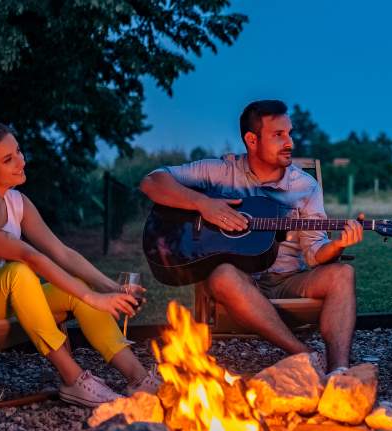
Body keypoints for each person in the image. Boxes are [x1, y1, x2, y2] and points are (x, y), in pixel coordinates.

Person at [0, 121, 160, 408]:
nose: (21, 161)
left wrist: (111, 289)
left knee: (75, 287)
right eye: (8, 159)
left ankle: (138, 378)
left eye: (19, 151)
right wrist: (95, 299)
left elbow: (62, 253)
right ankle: (75, 381)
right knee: (18, 273)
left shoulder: (17, 203)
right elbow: (28, 256)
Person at [140, 99, 362, 375]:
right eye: (278, 135)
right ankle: (304, 356)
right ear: (252, 139)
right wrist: (204, 204)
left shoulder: (305, 186)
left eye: (290, 133)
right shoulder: (220, 173)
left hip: (287, 280)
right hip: (239, 281)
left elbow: (315, 252)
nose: (289, 142)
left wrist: (337, 244)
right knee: (222, 275)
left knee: (343, 273)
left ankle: (339, 371)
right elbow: (152, 182)